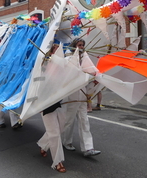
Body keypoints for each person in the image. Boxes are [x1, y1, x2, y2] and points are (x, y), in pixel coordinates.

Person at [62, 38, 101, 157]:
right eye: (79, 45)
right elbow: (64, 77)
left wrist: (93, 80)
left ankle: (88, 148)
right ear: (74, 46)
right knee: (69, 121)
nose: (82, 47)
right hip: (72, 95)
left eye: (83, 45)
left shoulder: (86, 59)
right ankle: (66, 142)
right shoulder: (67, 60)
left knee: (84, 121)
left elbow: (91, 73)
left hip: (83, 95)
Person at [37, 43, 66, 173]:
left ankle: (43, 145)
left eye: (59, 50)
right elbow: (37, 85)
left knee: (60, 128)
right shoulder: (43, 65)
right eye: (55, 50)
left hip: (59, 101)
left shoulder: (62, 66)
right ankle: (57, 162)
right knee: (54, 133)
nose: (57, 53)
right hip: (46, 103)